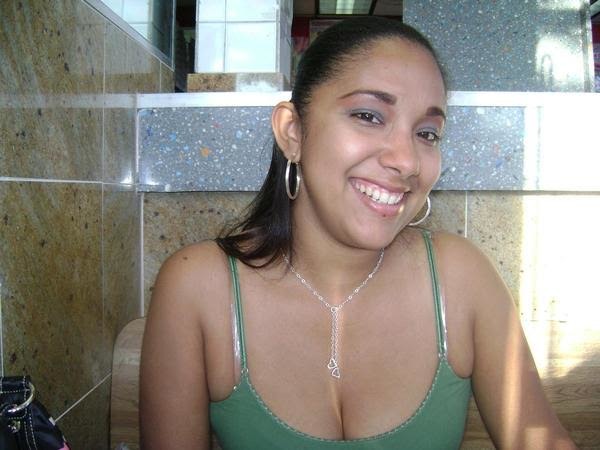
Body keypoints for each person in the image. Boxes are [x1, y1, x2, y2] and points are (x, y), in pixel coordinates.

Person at [139, 17, 576, 449]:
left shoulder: (462, 279)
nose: (407, 161)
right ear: (293, 132)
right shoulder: (198, 287)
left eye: (427, 133)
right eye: (368, 116)